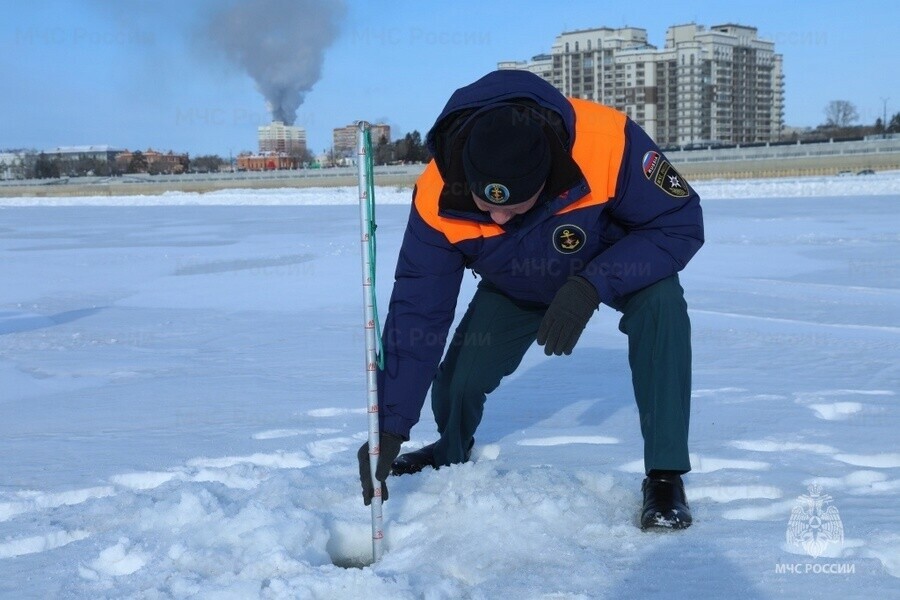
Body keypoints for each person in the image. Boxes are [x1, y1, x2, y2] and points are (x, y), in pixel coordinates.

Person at [358, 69, 704, 529]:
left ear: (547, 175)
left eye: (513, 206)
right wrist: (389, 425)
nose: (498, 216)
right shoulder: (436, 193)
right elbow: (417, 309)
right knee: (460, 381)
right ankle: (450, 449)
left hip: (607, 265)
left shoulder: (607, 141)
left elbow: (678, 223)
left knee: (662, 304)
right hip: (514, 284)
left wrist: (592, 284)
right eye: (486, 203)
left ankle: (664, 477)